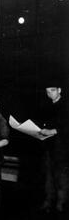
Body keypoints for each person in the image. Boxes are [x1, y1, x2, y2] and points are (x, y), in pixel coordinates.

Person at [38, 79, 69, 213]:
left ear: (59, 90)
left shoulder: (66, 106)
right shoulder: (48, 106)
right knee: (48, 176)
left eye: (52, 90)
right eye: (47, 91)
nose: (49, 94)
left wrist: (53, 131)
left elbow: (66, 126)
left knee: (61, 176)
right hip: (49, 147)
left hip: (62, 148)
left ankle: (61, 203)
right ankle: (48, 201)